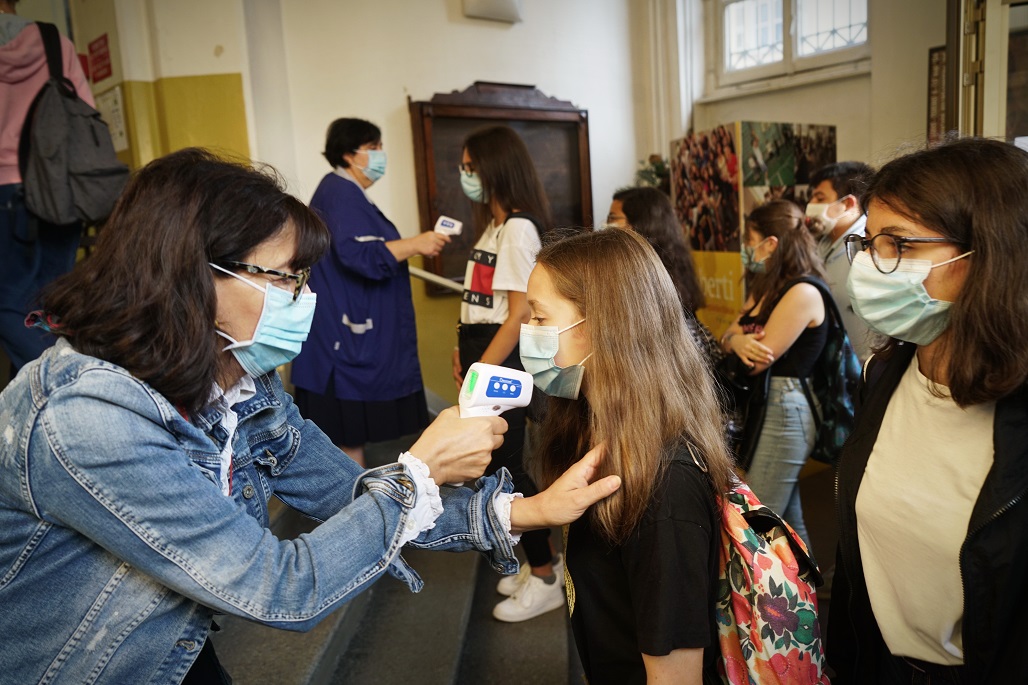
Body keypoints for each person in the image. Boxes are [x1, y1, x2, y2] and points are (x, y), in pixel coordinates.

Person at [0, 148, 622, 685]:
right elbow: (278, 587)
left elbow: (344, 491)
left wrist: (527, 510)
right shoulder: (89, 419)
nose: (305, 299)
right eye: (286, 279)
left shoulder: (238, 378)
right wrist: (421, 471)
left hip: (166, 646)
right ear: (193, 278)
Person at [827, 138, 1028, 684]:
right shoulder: (887, 376)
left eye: (899, 245)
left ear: (988, 253)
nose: (870, 264)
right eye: (869, 243)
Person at [524, 228, 735, 683]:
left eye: (539, 319)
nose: (528, 335)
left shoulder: (665, 488)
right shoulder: (593, 430)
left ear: (601, 324)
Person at [451, 125, 562, 622]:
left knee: (513, 468)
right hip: (484, 349)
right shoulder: (494, 226)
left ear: (495, 167)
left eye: (471, 165)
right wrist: (466, 354)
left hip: (503, 355)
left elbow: (519, 314)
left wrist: (482, 365)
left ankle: (545, 575)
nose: (465, 174)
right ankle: (536, 564)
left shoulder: (518, 227)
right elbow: (484, 305)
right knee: (501, 468)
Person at [291, 118, 448, 467]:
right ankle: (362, 512)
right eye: (373, 148)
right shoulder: (339, 193)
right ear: (349, 155)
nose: (381, 155)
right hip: (344, 338)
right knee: (346, 434)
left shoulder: (347, 193)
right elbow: (360, 255)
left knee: (350, 436)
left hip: (346, 331)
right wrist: (416, 244)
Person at [718, 199, 828, 550]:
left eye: (750, 241)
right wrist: (736, 340)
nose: (746, 250)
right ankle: (806, 596)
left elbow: (757, 360)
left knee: (758, 523)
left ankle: (774, 601)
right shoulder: (767, 288)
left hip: (787, 409)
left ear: (771, 243)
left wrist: (737, 340)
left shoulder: (802, 292)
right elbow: (727, 338)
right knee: (786, 522)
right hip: (769, 404)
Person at [0, 1, 92, 372]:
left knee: (7, 300)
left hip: (3, 190)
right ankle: (78, 377)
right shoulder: (56, 43)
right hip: (59, 192)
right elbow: (85, 114)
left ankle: (63, 383)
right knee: (55, 299)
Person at [606, 186, 721, 367]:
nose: (606, 225)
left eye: (613, 219)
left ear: (640, 224)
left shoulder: (649, 270)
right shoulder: (667, 260)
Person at [805, 161, 876, 361]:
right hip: (831, 361)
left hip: (863, 360)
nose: (811, 204)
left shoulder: (868, 246)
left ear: (848, 203)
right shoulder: (821, 241)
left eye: (820, 198)